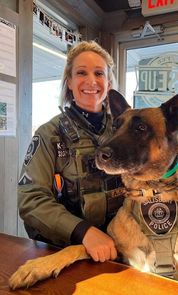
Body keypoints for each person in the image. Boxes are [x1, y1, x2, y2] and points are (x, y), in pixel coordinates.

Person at [18, 40, 125, 263]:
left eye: (99, 73)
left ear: (108, 82)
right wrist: (83, 231)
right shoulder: (50, 134)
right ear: (69, 82)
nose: (91, 81)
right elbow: (31, 199)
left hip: (123, 245)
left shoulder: (125, 130)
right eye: (81, 73)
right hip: (67, 252)